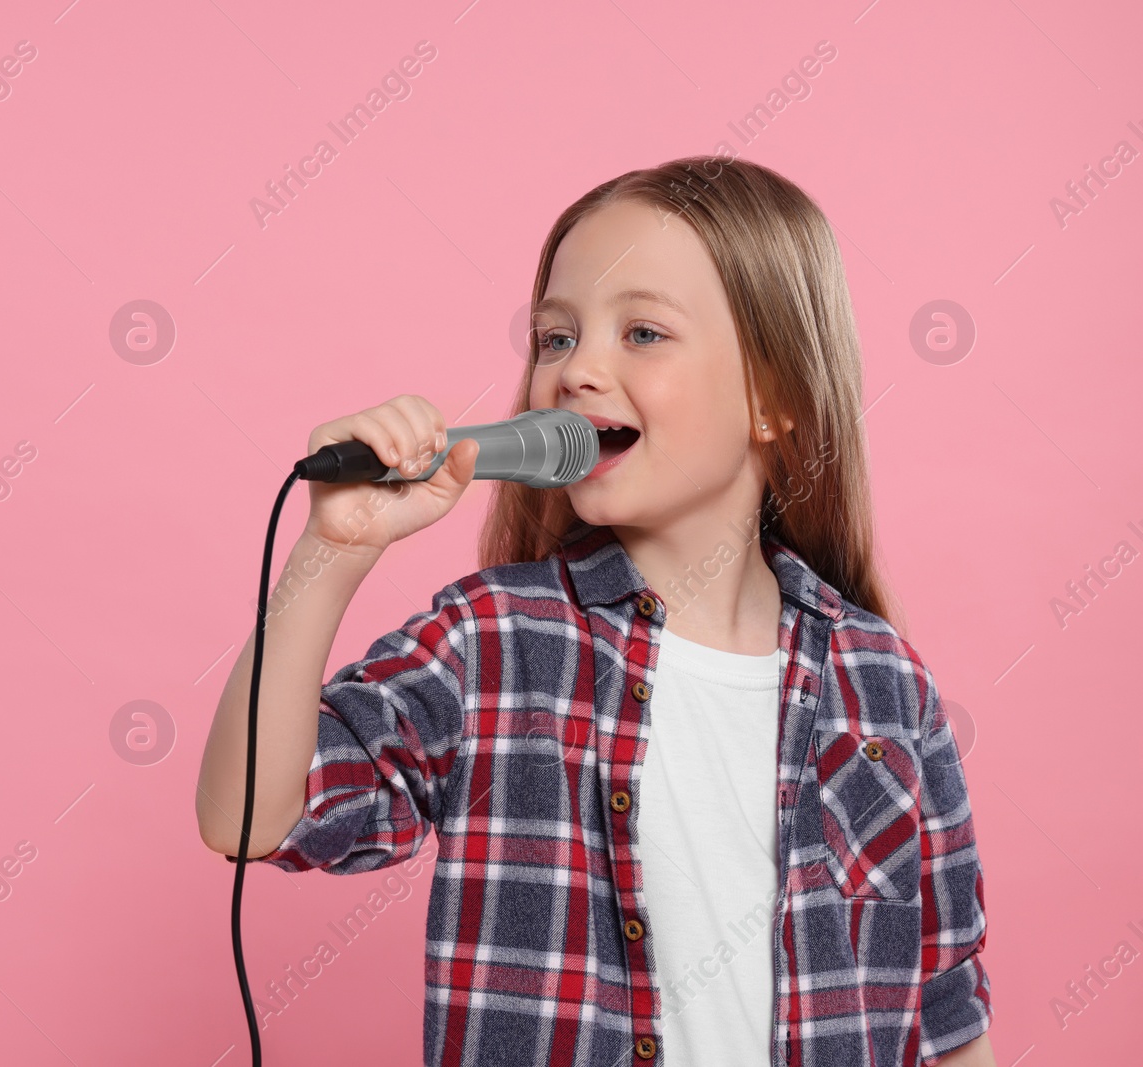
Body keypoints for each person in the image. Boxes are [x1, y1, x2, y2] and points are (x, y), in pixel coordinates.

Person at [196, 156, 994, 1067]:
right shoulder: (496, 641)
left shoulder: (885, 684)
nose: (578, 371)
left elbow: (947, 1010)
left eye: (643, 332)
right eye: (555, 337)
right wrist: (330, 556)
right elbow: (250, 815)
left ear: (772, 398)